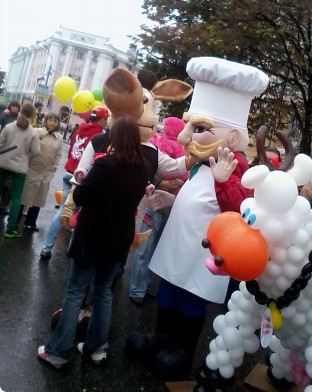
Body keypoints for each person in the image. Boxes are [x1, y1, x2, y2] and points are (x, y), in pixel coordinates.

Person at [127, 57, 269, 380]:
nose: (184, 137)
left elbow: (238, 210)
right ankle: (162, 337)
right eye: (188, 124)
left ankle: (182, 350)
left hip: (203, 252)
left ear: (232, 138)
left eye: (200, 128)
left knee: (191, 299)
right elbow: (197, 198)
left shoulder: (238, 170)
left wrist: (223, 180)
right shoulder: (199, 163)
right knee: (168, 291)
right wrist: (170, 200)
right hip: (179, 245)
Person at [37, 116, 150, 368]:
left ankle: (57, 352)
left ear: (115, 138)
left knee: (75, 292)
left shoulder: (106, 165)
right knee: (103, 293)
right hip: (119, 238)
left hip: (92, 237)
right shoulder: (142, 169)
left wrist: (80, 183)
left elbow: (81, 195)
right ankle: (96, 348)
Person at [129, 116, 189, 305]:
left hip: (167, 204)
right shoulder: (154, 146)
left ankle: (143, 287)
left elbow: (181, 169)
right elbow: (149, 169)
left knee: (152, 246)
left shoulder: (164, 146)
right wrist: (162, 182)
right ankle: (138, 289)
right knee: (147, 245)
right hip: (158, 202)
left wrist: (179, 181)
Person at [39, 106, 109, 259]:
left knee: (63, 210)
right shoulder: (100, 135)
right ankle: (71, 250)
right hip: (82, 176)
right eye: (106, 119)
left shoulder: (79, 129)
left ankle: (47, 247)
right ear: (103, 119)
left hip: (68, 172)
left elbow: (71, 149)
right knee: (79, 214)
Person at [0, 103, 41, 239]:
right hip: (20, 167)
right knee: (16, 198)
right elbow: (35, 151)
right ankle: (11, 229)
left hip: (3, 163)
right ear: (33, 116)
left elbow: (0, 143)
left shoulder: (9, 126)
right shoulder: (33, 132)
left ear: (20, 112)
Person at [21, 113, 63, 232]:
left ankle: (31, 223)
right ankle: (16, 221)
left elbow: (58, 155)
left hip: (46, 172)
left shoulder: (59, 138)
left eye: (55, 121)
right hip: (32, 170)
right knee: (25, 197)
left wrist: (53, 169)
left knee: (38, 199)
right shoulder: (36, 132)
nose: (53, 123)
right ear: (45, 121)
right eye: (50, 120)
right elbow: (27, 149)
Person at [0, 100, 21, 214]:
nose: (14, 109)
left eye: (17, 107)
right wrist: (4, 113)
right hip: (3, 147)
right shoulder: (5, 115)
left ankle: (4, 205)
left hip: (13, 149)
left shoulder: (19, 118)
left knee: (9, 181)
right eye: (13, 106)